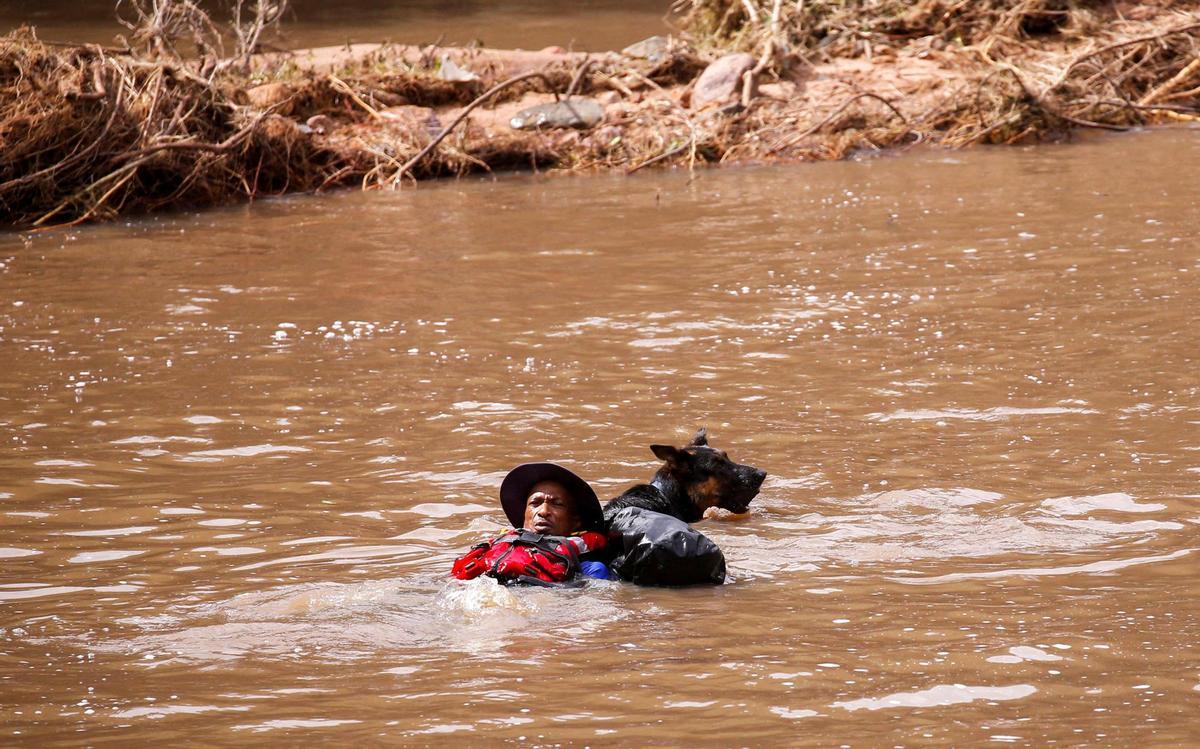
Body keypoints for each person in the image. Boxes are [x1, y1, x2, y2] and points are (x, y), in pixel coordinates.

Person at [451, 462, 613, 585]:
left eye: (556, 504)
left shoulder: (589, 569)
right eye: (535, 503)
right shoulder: (493, 549)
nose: (543, 511)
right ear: (524, 514)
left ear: (576, 523)